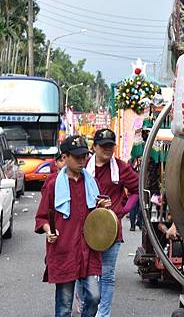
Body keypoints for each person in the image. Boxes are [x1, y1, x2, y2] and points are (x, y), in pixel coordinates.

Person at [34, 135, 111, 317]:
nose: (81, 160)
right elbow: (42, 217)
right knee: (64, 304)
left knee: (94, 296)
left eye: (84, 156)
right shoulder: (53, 185)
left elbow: (97, 218)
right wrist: (48, 231)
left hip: (89, 250)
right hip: (64, 249)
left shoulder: (92, 184)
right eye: (76, 157)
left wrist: (102, 208)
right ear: (65, 157)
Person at [85, 128, 139, 317]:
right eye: (103, 146)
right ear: (95, 147)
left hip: (111, 231)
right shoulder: (83, 165)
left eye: (110, 146)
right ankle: (87, 309)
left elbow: (136, 190)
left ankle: (103, 314)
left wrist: (121, 212)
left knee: (107, 275)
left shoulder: (121, 168)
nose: (107, 150)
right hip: (86, 230)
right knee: (83, 274)